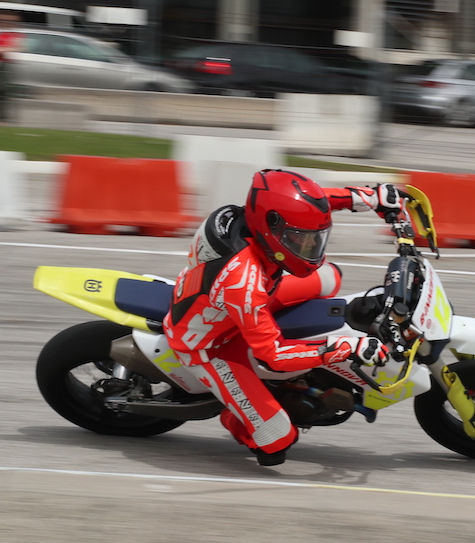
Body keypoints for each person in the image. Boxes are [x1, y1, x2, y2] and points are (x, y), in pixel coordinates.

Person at [163, 170, 403, 466]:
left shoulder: (255, 219)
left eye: (315, 239)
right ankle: (238, 418)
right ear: (271, 228)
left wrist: (369, 197)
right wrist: (344, 348)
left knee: (330, 276)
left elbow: (313, 204)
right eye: (300, 239)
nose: (310, 247)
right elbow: (273, 356)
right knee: (277, 440)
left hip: (238, 302)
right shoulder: (242, 281)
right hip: (211, 344)